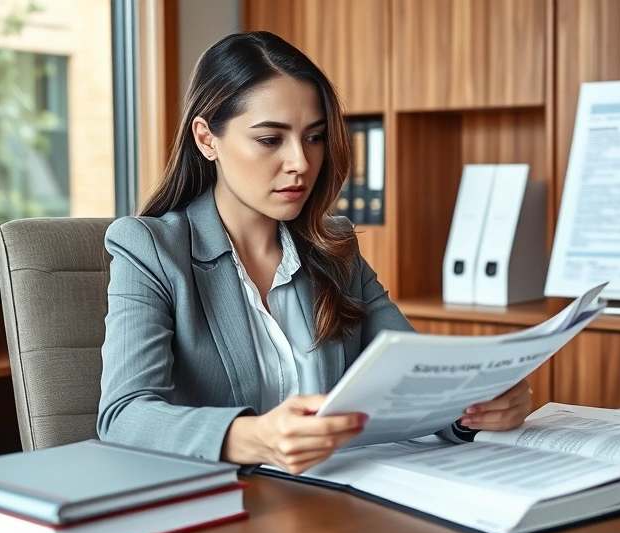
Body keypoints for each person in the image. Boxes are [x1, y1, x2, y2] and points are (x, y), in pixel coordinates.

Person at [98, 31, 532, 475]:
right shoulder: (149, 248)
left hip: (333, 503)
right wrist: (255, 437)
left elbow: (415, 379)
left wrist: (474, 404)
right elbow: (123, 415)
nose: (301, 163)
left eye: (314, 137)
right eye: (270, 140)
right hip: (223, 511)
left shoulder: (335, 248)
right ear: (207, 139)